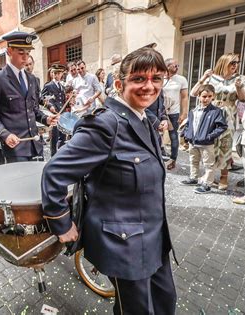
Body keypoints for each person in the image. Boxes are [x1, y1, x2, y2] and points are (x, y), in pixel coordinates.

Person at [41, 47, 177, 314]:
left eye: (156, 78)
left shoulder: (145, 118)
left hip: (154, 237)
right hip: (126, 244)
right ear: (119, 84)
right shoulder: (106, 125)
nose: (149, 86)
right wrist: (61, 222)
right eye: (139, 79)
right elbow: (54, 171)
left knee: (164, 301)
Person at [0, 31, 58, 163]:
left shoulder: (32, 79)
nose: (25, 58)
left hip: (35, 144)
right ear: (9, 51)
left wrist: (46, 119)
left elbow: (32, 109)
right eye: (21, 53)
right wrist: (4, 134)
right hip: (15, 147)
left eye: (28, 53)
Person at [190, 53, 245, 190]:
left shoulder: (239, 78)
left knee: (225, 146)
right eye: (232, 63)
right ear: (224, 63)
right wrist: (204, 77)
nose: (235, 65)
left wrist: (239, 87)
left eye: (237, 63)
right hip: (210, 115)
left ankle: (224, 176)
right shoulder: (212, 78)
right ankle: (209, 175)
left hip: (228, 116)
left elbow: (244, 98)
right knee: (210, 146)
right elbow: (194, 93)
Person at [180, 84, 227, 194]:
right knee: (193, 160)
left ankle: (207, 184)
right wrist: (187, 135)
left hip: (207, 143)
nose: (206, 99)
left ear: (213, 97)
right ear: (199, 96)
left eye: (209, 96)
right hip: (193, 142)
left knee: (209, 164)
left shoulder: (216, 111)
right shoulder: (193, 111)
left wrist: (209, 136)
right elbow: (189, 125)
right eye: (204, 96)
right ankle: (193, 178)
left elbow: (222, 126)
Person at [163, 58, 189, 170]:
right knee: (156, 135)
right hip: (160, 112)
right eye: (175, 66)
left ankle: (173, 159)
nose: (177, 68)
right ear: (167, 66)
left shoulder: (181, 79)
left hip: (174, 113)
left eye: (178, 66)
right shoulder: (160, 78)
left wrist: (183, 113)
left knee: (173, 136)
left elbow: (184, 97)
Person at [41, 64, 67, 156]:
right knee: (54, 137)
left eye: (61, 73)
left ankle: (60, 155)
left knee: (63, 136)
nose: (60, 75)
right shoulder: (48, 86)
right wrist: (50, 106)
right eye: (59, 73)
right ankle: (53, 156)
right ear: (54, 74)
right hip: (54, 115)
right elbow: (43, 98)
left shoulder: (62, 87)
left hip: (62, 114)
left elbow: (63, 101)